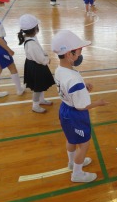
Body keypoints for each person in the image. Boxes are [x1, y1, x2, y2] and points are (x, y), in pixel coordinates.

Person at [51, 30, 109, 183]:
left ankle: (72, 162)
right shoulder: (73, 79)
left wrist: (84, 86)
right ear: (70, 54)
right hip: (76, 115)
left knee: (71, 139)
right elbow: (81, 106)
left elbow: (69, 87)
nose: (80, 55)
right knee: (83, 145)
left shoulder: (60, 70)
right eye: (79, 52)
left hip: (65, 110)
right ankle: (77, 173)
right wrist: (98, 103)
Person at [18, 14, 55, 113]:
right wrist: (47, 60)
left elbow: (39, 51)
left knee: (41, 84)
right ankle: (35, 105)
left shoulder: (31, 38)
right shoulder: (31, 43)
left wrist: (44, 54)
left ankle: (41, 100)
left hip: (36, 65)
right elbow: (39, 58)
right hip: (36, 66)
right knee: (38, 88)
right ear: (35, 29)